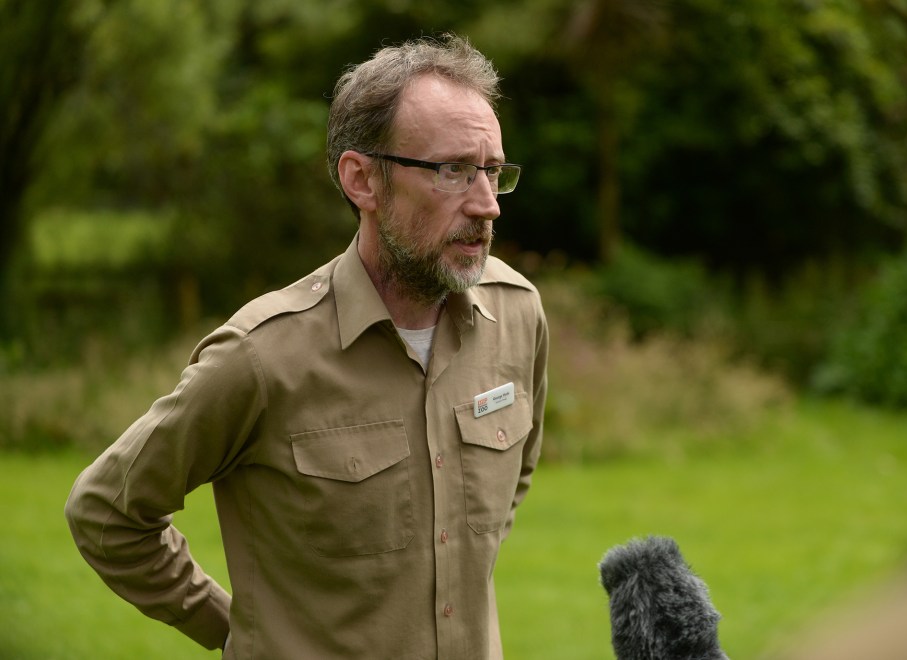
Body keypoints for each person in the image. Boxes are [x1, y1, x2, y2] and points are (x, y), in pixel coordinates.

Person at [65, 34, 548, 659]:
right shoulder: (262, 357)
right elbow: (107, 513)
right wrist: (235, 629)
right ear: (362, 180)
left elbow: (513, 478)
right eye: (452, 170)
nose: (487, 205)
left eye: (491, 171)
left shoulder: (519, 314)